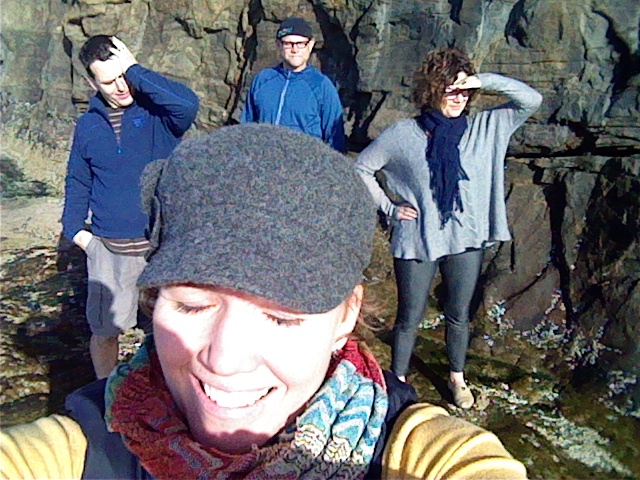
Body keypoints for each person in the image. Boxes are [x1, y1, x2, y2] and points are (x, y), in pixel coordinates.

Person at [1, 124, 528, 479]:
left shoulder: (408, 453)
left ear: (346, 316)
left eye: (281, 317)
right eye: (192, 305)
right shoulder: (95, 439)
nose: (224, 360)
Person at [355, 47, 543, 409]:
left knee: (459, 315)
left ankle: (457, 378)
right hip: (418, 238)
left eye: (464, 91)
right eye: (450, 89)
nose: (458, 98)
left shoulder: (486, 127)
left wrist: (481, 80)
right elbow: (362, 168)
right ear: (431, 89)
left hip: (466, 238)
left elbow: (531, 99)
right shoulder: (403, 134)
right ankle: (398, 382)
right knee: (409, 317)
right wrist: (391, 208)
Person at [61, 35, 199, 379]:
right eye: (109, 81)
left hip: (160, 249)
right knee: (105, 332)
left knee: (168, 331)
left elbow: (188, 105)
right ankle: (105, 395)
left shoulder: (159, 115)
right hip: (109, 251)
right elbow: (78, 180)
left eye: (124, 76)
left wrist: (135, 69)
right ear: (92, 83)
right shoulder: (88, 125)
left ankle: (166, 394)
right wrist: (77, 232)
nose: (121, 87)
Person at [241, 17, 347, 152]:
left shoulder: (322, 86)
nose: (294, 50)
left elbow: (335, 139)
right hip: (263, 160)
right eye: (288, 44)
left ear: (310, 45)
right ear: (278, 45)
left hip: (304, 163)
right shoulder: (262, 80)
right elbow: (246, 129)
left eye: (300, 43)